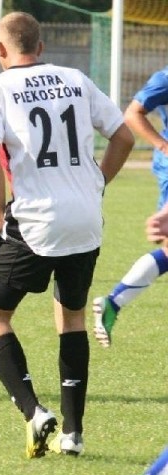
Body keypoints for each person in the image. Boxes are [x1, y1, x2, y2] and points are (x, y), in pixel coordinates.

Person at [0, 12, 134, 458]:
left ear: (0, 51)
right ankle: (74, 434)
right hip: (85, 218)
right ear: (40, 48)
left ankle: (33, 412)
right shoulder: (75, 79)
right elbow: (123, 137)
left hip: (35, 220)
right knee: (72, 318)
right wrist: (96, 183)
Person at [93, 66, 168, 348]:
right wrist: (162, 145)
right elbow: (133, 113)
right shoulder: (165, 79)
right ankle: (113, 302)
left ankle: (113, 303)